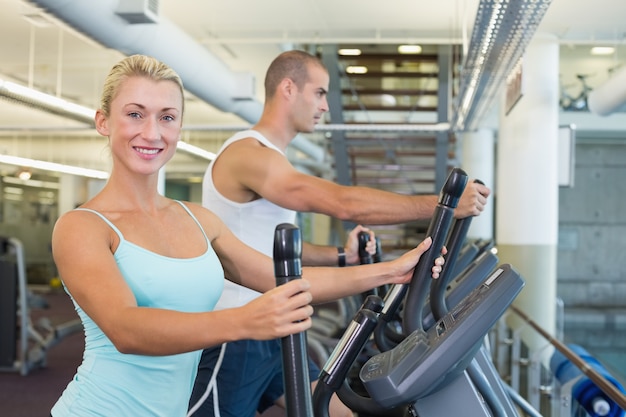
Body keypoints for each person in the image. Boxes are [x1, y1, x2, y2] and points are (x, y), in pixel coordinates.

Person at [49, 54, 445, 417]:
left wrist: (393, 272)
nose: (152, 132)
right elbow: (126, 329)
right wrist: (245, 320)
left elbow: (286, 280)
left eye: (167, 117)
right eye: (135, 114)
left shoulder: (198, 220)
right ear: (103, 121)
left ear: (179, 127)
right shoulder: (83, 227)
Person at [190, 50, 492, 417]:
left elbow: (273, 252)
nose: (325, 106)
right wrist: (445, 205)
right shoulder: (248, 155)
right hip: (238, 332)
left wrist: (342, 257)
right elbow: (344, 203)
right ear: (288, 88)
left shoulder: (271, 158)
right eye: (319, 93)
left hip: (276, 325)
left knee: (333, 408)